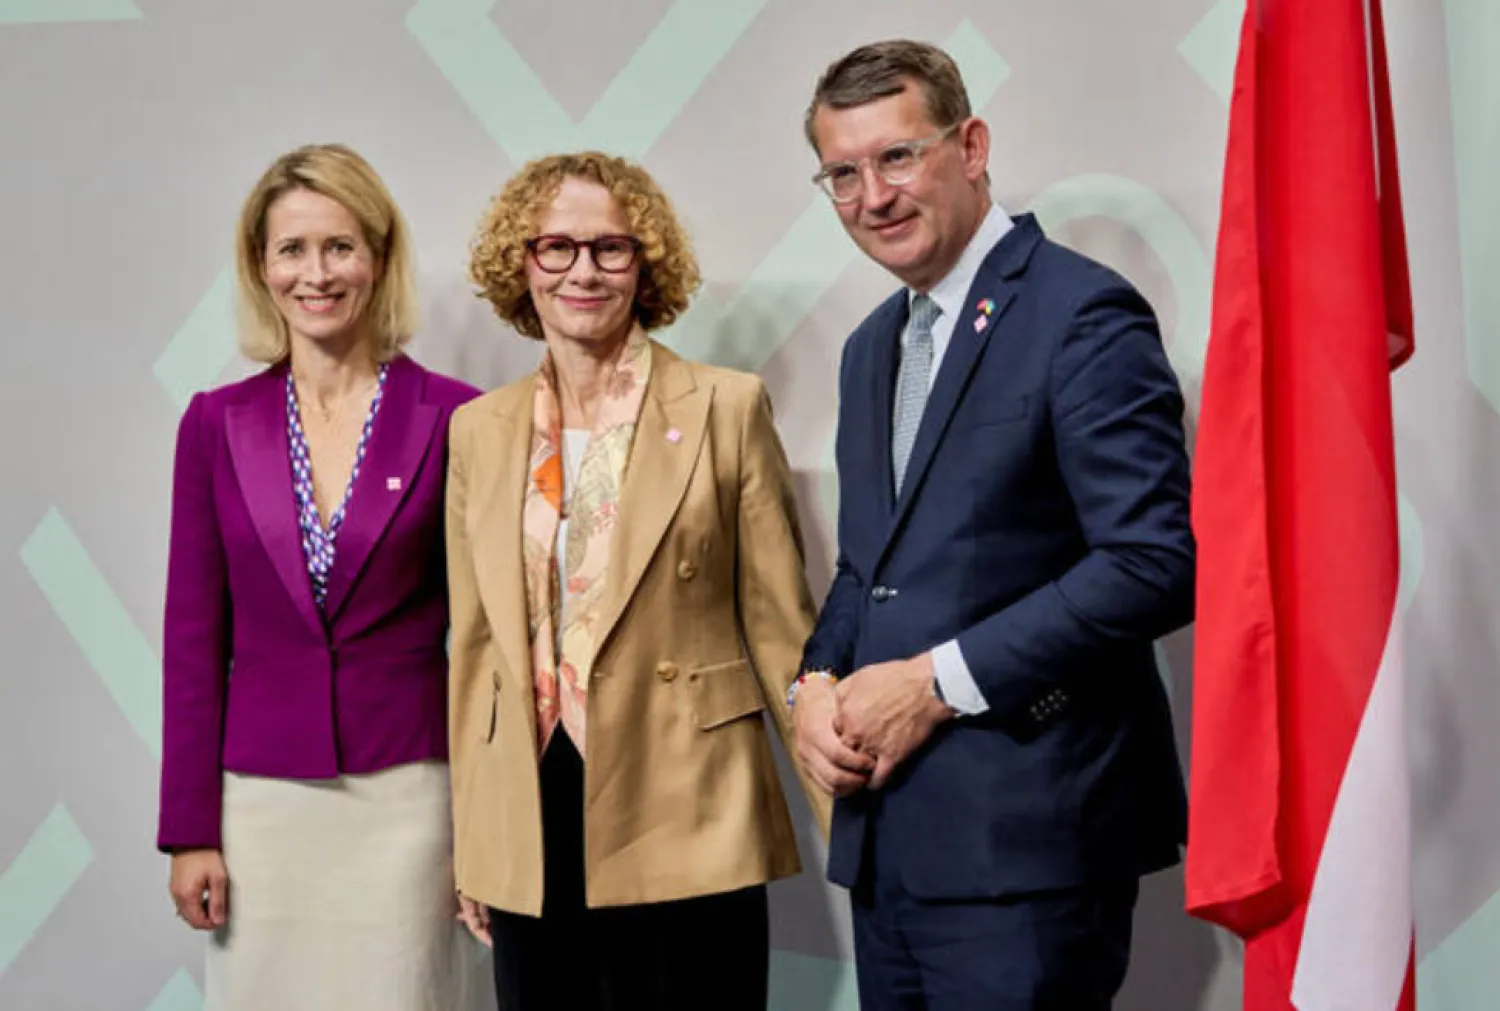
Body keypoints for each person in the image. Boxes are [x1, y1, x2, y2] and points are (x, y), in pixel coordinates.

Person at [791, 40, 1196, 1010]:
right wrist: (811, 686)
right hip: (891, 851)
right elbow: (866, 572)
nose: (872, 195)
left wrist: (935, 683)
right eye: (842, 174)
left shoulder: (1080, 312)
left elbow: (1153, 563)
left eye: (897, 157)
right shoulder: (870, 349)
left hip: (1032, 850)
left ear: (971, 146)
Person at [445, 150, 828, 1011]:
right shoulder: (479, 430)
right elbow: (474, 654)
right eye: (558, 247)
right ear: (522, 263)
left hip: (688, 799)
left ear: (645, 264)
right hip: (536, 813)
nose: (584, 269)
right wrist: (479, 843)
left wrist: (853, 827)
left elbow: (782, 628)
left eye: (610, 248)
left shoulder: (725, 407)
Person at [156, 143, 491, 1011]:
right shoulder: (214, 424)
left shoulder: (458, 417)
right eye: (292, 250)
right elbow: (193, 642)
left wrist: (490, 831)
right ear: (261, 266)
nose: (317, 273)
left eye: (339, 247)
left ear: (379, 259)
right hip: (261, 805)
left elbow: (491, 638)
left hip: (412, 795)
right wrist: (189, 830)